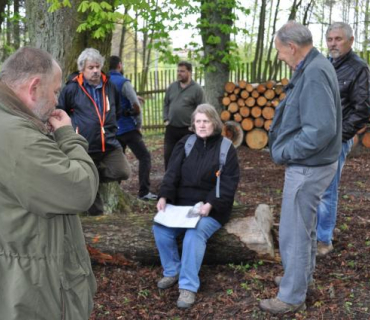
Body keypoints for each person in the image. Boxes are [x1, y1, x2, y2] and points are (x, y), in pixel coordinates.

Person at [0, 47, 99, 319]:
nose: (57, 101)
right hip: (34, 292)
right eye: (55, 91)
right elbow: (81, 189)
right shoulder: (19, 139)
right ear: (34, 88)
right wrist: (68, 136)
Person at [259, 21, 342, 314]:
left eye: (281, 51)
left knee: (294, 232)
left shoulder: (316, 72)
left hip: (308, 166)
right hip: (313, 164)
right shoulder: (314, 66)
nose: (281, 57)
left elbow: (320, 130)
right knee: (302, 228)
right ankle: (300, 279)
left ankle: (292, 296)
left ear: (292, 47)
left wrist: (283, 151)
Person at [153, 104, 240, 309]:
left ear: (214, 123)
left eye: (206, 121)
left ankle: (188, 286)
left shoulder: (226, 148)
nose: (201, 125)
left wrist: (211, 203)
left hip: (212, 207)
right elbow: (171, 173)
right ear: (194, 123)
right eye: (198, 121)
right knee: (160, 228)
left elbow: (228, 183)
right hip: (182, 206)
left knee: (195, 233)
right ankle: (172, 270)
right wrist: (164, 196)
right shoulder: (186, 143)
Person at [316, 22, 370, 256]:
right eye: (329, 39)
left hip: (336, 140)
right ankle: (313, 232)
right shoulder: (325, 64)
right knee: (313, 187)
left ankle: (323, 240)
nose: (333, 44)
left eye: (338, 39)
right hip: (315, 138)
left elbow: (362, 109)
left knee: (328, 189)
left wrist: (339, 138)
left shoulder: (359, 68)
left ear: (351, 40)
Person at [58, 48, 131, 215]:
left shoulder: (110, 86)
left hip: (109, 143)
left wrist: (111, 127)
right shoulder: (72, 89)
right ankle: (95, 216)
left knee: (123, 172)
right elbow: (61, 111)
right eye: (91, 67)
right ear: (82, 68)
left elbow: (117, 109)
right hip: (84, 145)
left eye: (98, 66)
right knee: (88, 191)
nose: (96, 71)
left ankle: (93, 176)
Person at [108, 55, 158, 201]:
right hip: (127, 128)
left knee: (117, 159)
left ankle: (115, 192)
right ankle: (144, 192)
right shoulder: (123, 82)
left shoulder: (104, 82)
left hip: (113, 128)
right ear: (120, 65)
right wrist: (138, 125)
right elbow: (135, 105)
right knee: (145, 157)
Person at [163, 61, 205, 169]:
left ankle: (187, 182)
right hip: (171, 129)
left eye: (182, 71)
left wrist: (195, 126)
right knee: (169, 156)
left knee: (188, 156)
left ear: (190, 72)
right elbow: (166, 103)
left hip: (188, 130)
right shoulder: (172, 87)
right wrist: (165, 119)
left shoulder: (197, 89)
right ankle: (169, 182)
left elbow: (202, 109)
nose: (179, 73)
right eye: (178, 71)